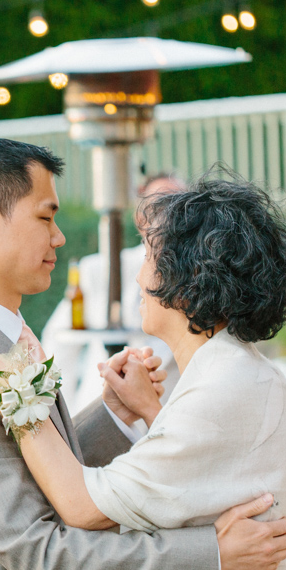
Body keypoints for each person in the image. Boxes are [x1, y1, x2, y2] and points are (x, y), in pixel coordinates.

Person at [0, 138, 286, 570]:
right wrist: (211, 553)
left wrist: (112, 416)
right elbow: (42, 555)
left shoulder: (0, 339)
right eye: (45, 217)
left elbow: (40, 478)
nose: (59, 236)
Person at [40, 173, 186, 413]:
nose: (166, 212)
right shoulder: (97, 269)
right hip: (99, 405)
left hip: (167, 408)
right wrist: (58, 410)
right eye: (155, 204)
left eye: (174, 202)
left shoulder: (200, 274)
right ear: (139, 216)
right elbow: (58, 342)